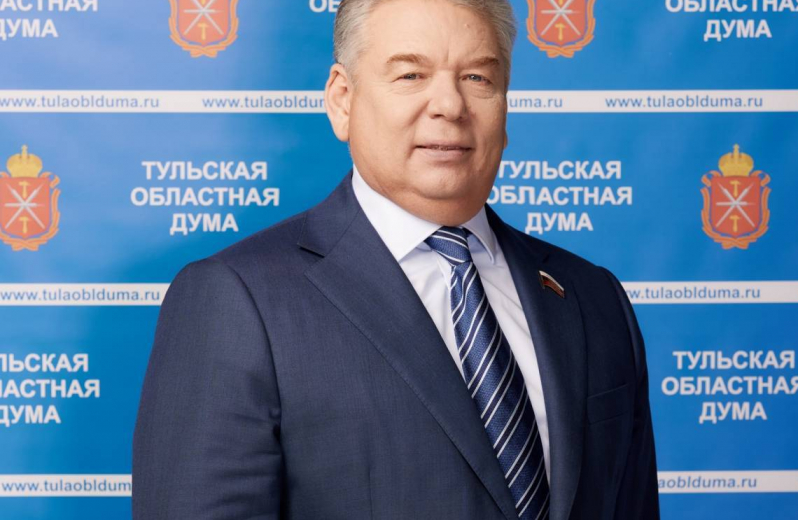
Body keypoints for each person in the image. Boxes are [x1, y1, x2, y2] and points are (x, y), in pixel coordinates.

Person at [132, 0, 660, 518]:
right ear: (342, 100)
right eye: (411, 75)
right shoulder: (238, 301)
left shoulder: (594, 297)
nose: (449, 105)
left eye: (477, 77)